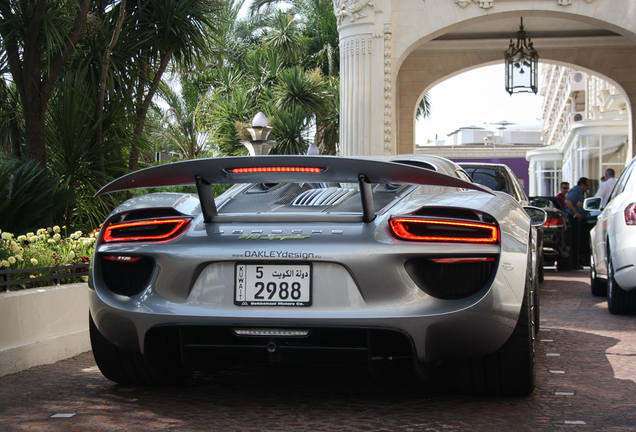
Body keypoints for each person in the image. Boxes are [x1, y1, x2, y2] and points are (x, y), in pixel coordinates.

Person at [564, 177, 591, 269]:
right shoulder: (576, 190)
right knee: (575, 241)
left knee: (580, 240)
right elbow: (568, 201)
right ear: (582, 184)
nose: (588, 188)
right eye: (587, 185)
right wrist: (576, 212)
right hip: (574, 219)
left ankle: (577, 261)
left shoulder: (581, 192)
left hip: (579, 219)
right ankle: (574, 263)